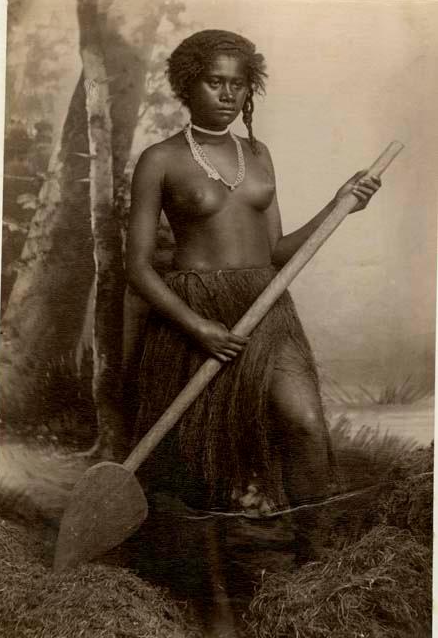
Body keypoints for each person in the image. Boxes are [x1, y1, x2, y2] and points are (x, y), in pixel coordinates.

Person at [126, 30, 381, 521]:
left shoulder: (258, 155)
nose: (227, 94)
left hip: (264, 303)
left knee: (305, 423)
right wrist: (196, 326)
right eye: (213, 82)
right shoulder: (160, 159)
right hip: (193, 310)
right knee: (199, 460)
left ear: (250, 89)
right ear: (187, 87)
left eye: (238, 84)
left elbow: (278, 250)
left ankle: (316, 563)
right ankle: (203, 576)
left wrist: (340, 204)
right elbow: (136, 266)